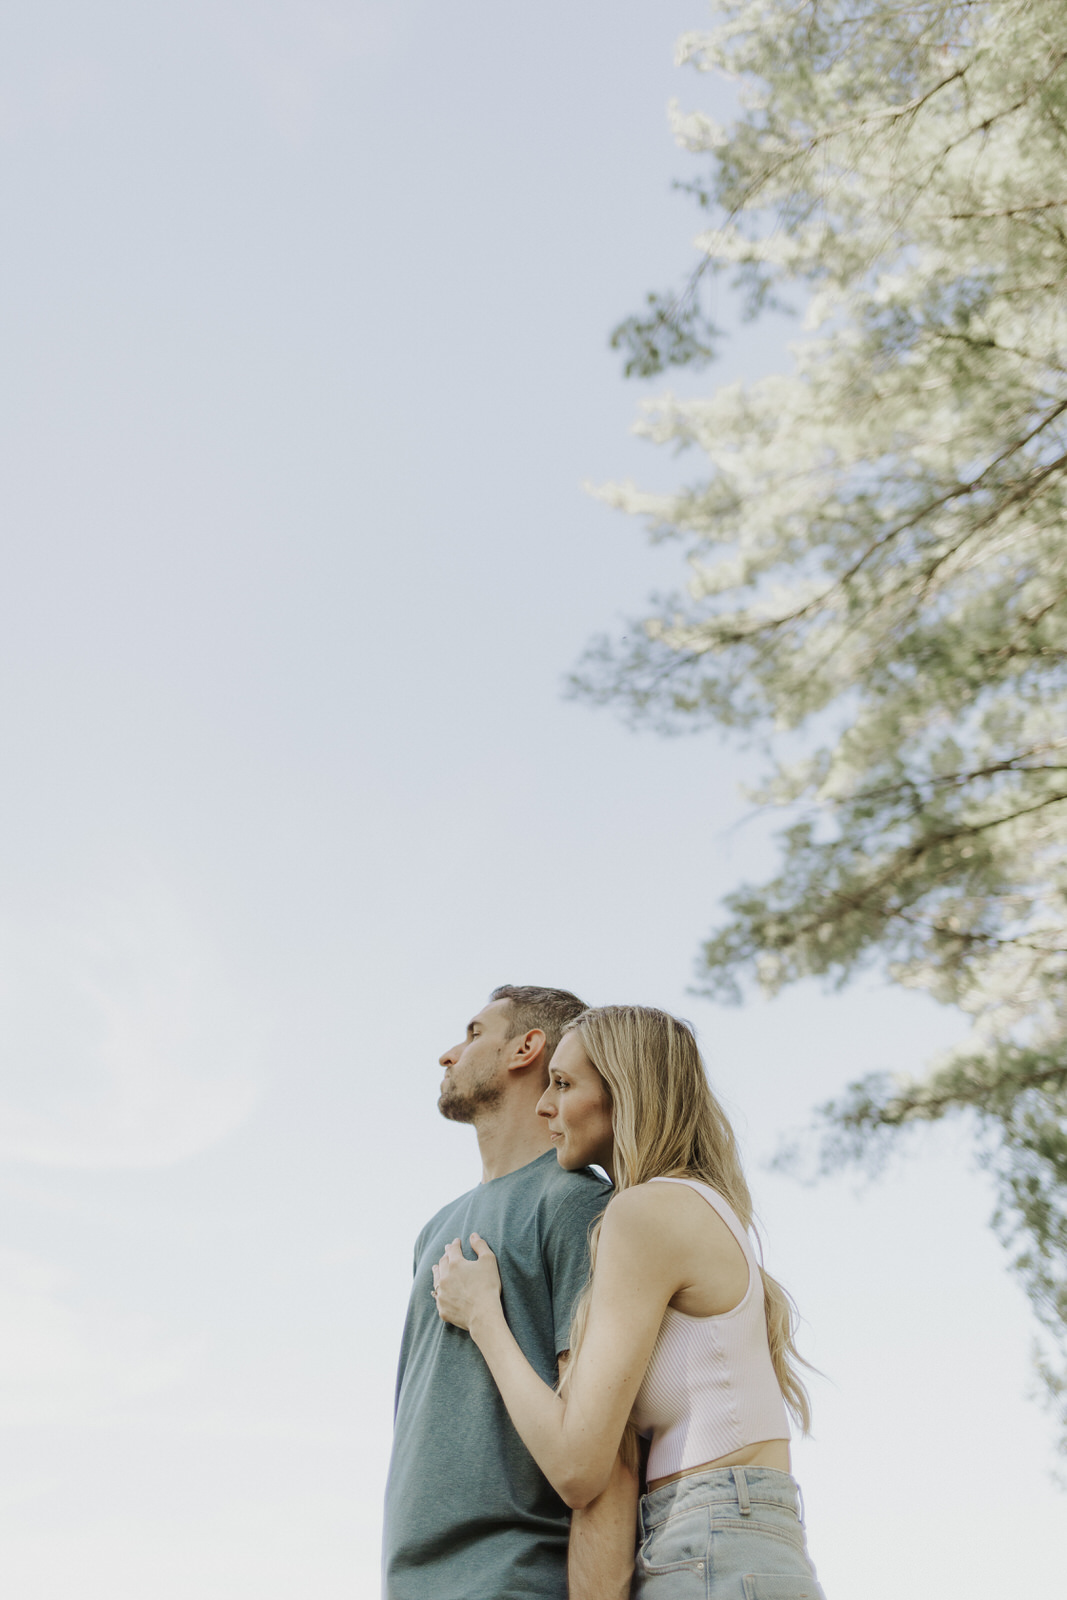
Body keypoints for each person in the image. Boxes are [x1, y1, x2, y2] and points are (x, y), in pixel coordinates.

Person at [433, 1004, 827, 1599]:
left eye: (563, 1085)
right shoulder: (689, 1206)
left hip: (709, 1538)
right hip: (723, 1534)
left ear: (624, 1094)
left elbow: (576, 1465)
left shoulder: (644, 1215)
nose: (545, 1106)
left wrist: (484, 1315)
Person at [382, 986, 638, 1600]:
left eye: (472, 1033)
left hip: (518, 1577)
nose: (448, 1054)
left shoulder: (579, 1203)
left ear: (527, 1048)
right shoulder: (434, 1229)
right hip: (411, 1581)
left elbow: (614, 1456)